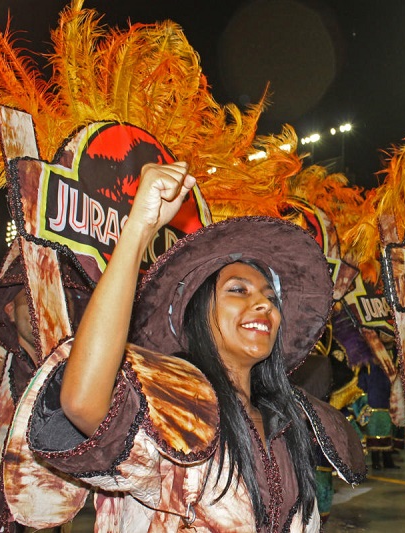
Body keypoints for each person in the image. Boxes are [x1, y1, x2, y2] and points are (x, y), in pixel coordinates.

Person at [20, 162, 366, 531]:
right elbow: (82, 403)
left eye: (271, 296)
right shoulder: (175, 414)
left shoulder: (293, 419)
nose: (265, 305)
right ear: (199, 313)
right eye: (238, 290)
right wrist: (138, 229)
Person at [0, 250, 91, 532]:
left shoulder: (75, 378)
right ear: (10, 310)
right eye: (33, 299)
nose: (46, 310)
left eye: (58, 303)